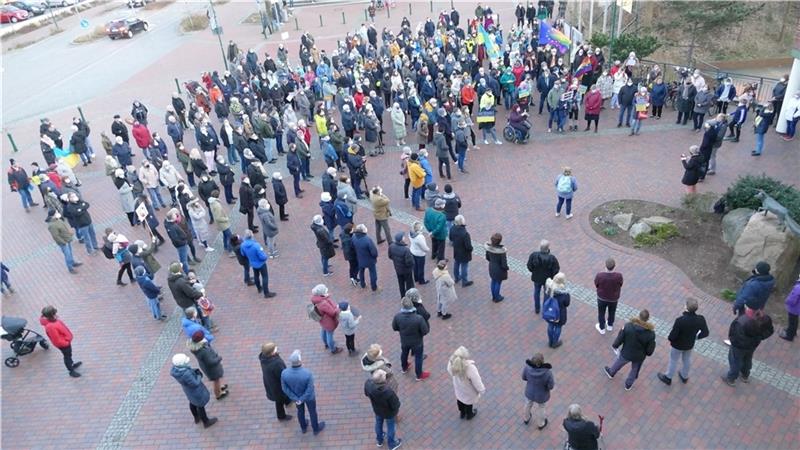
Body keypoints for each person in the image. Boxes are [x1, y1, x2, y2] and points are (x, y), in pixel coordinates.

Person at [657, 298, 709, 386]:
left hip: (678, 345)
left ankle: (668, 377)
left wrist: (671, 339)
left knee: (673, 360)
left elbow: (673, 336)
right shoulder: (700, 319)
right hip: (689, 344)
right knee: (687, 359)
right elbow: (705, 333)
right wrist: (696, 337)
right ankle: (684, 376)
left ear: (686, 307)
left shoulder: (680, 320)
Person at [604, 309, 656, 391]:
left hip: (626, 352)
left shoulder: (628, 326)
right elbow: (649, 351)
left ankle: (611, 372)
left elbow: (620, 338)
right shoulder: (651, 334)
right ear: (648, 319)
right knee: (635, 369)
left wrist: (615, 345)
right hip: (639, 356)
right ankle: (628, 384)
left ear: (639, 316)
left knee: (619, 362)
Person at [721, 308, 774, 386]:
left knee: (735, 361)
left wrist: (732, 341)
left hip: (738, 347)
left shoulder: (742, 322)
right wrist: (760, 337)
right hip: (752, 345)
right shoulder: (765, 322)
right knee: (747, 359)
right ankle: (745, 375)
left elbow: (735, 335)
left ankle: (731, 378)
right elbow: (770, 331)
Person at [281, 350, 326, 435]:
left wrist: (296, 398)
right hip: (309, 397)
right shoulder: (307, 373)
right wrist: (302, 399)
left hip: (296, 397)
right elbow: (310, 389)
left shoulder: (284, 373)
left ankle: (303, 428)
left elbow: (284, 388)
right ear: (300, 360)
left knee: (300, 412)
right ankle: (315, 429)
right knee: (312, 412)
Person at [170, 353, 218, 428]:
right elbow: (195, 383)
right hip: (196, 391)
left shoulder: (176, 370)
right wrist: (198, 375)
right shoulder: (186, 374)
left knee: (192, 402)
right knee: (200, 405)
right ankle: (206, 421)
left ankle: (196, 417)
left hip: (188, 391)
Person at [392, 295, 431, 381]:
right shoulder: (418, 318)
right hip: (417, 342)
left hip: (404, 341)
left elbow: (394, 327)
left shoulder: (397, 316)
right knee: (418, 357)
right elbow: (425, 331)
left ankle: (404, 367)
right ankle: (419, 375)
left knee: (404, 353)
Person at [364, 369, 403, 450]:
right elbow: (395, 404)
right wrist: (396, 410)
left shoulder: (368, 384)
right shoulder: (388, 392)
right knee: (390, 427)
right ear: (382, 380)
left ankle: (379, 440)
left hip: (377, 410)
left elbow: (366, 393)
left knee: (378, 423)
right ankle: (392, 444)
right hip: (389, 413)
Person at [40, 305, 82, 378]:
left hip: (66, 342)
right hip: (64, 345)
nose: (56, 315)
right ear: (51, 315)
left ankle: (71, 364)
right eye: (54, 313)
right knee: (67, 356)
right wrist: (66, 342)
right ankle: (71, 370)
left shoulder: (53, 321)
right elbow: (56, 339)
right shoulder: (50, 326)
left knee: (69, 355)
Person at [446, 346, 485, 421]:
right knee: (468, 402)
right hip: (468, 390)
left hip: (458, 387)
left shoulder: (452, 362)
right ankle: (469, 414)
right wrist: (481, 390)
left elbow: (449, 370)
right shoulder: (470, 368)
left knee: (460, 399)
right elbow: (476, 381)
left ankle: (462, 413)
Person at [187, 330, 228, 400]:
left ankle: (220, 387)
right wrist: (219, 359)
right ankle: (218, 394)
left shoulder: (195, 346)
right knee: (216, 380)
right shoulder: (203, 351)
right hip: (212, 369)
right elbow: (210, 362)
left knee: (217, 380)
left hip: (206, 367)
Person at [259, 342, 293, 422]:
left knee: (282, 396)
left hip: (270, 382)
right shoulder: (276, 363)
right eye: (275, 348)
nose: (276, 348)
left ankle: (288, 401)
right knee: (279, 400)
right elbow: (283, 375)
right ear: (271, 352)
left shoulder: (264, 358)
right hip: (277, 386)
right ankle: (281, 416)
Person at [241, 229, 276, 298]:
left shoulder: (243, 245)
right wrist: (265, 256)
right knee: (265, 277)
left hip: (253, 263)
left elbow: (243, 254)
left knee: (256, 275)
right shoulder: (256, 245)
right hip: (261, 264)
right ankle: (266, 293)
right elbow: (262, 257)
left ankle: (259, 288)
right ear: (251, 235)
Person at [522, 352, 554, 429]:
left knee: (528, 404)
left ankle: (526, 418)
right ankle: (541, 424)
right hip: (541, 395)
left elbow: (524, 377)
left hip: (530, 392)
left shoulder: (527, 368)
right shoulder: (547, 373)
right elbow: (551, 386)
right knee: (541, 407)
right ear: (542, 361)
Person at [527, 239, 559, 314]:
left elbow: (529, 266)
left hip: (536, 278)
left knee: (536, 292)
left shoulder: (534, 255)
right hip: (547, 279)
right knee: (546, 293)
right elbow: (556, 269)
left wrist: (533, 271)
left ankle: (537, 308)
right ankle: (545, 309)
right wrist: (552, 277)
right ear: (548, 248)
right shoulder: (552, 258)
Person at [311, 284, 343, 354]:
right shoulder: (323, 303)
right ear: (321, 294)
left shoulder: (315, 299)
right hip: (328, 322)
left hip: (322, 320)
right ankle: (333, 349)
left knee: (324, 330)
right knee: (329, 334)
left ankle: (326, 343)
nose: (327, 292)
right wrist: (337, 308)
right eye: (325, 291)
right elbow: (333, 313)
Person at [594, 258, 623, 335]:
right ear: (614, 266)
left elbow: (596, 284)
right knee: (612, 312)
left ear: (605, 266)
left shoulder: (600, 275)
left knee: (601, 313)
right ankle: (610, 325)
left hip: (602, 298)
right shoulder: (619, 276)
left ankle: (602, 328)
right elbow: (620, 284)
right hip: (613, 299)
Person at [544, 273, 570, 348]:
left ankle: (550, 341)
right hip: (560, 314)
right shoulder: (564, 294)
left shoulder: (549, 288)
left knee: (550, 325)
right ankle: (555, 342)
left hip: (550, 312)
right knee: (558, 327)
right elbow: (567, 303)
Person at [353, 224, 380, 292]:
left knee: (361, 271)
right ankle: (374, 287)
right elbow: (374, 252)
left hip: (359, 259)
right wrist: (375, 257)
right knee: (373, 273)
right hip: (370, 260)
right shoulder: (367, 240)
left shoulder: (354, 238)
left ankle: (363, 284)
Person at [388, 233, 415, 299]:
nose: (404, 238)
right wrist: (411, 266)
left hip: (398, 269)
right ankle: (409, 297)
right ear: (401, 240)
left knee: (401, 283)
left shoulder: (391, 246)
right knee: (409, 283)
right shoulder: (406, 250)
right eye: (403, 237)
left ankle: (402, 296)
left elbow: (390, 256)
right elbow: (409, 262)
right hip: (406, 270)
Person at [485, 232, 509, 303]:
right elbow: (504, 264)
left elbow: (487, 257)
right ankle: (497, 297)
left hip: (492, 267)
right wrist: (507, 268)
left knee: (493, 281)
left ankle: (493, 296)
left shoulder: (489, 248)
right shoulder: (501, 251)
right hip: (499, 269)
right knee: (498, 282)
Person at [208, 191, 233, 256]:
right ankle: (230, 251)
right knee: (230, 236)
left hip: (220, 224)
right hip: (223, 224)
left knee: (225, 235)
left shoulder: (212, 203)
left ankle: (225, 247)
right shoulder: (217, 205)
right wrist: (226, 219)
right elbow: (218, 218)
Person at [779, 274, 800, 341]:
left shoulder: (798, 287)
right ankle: (793, 332)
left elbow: (792, 299)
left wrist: (787, 301)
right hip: (798, 308)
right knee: (795, 320)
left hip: (795, 308)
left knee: (792, 321)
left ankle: (789, 336)